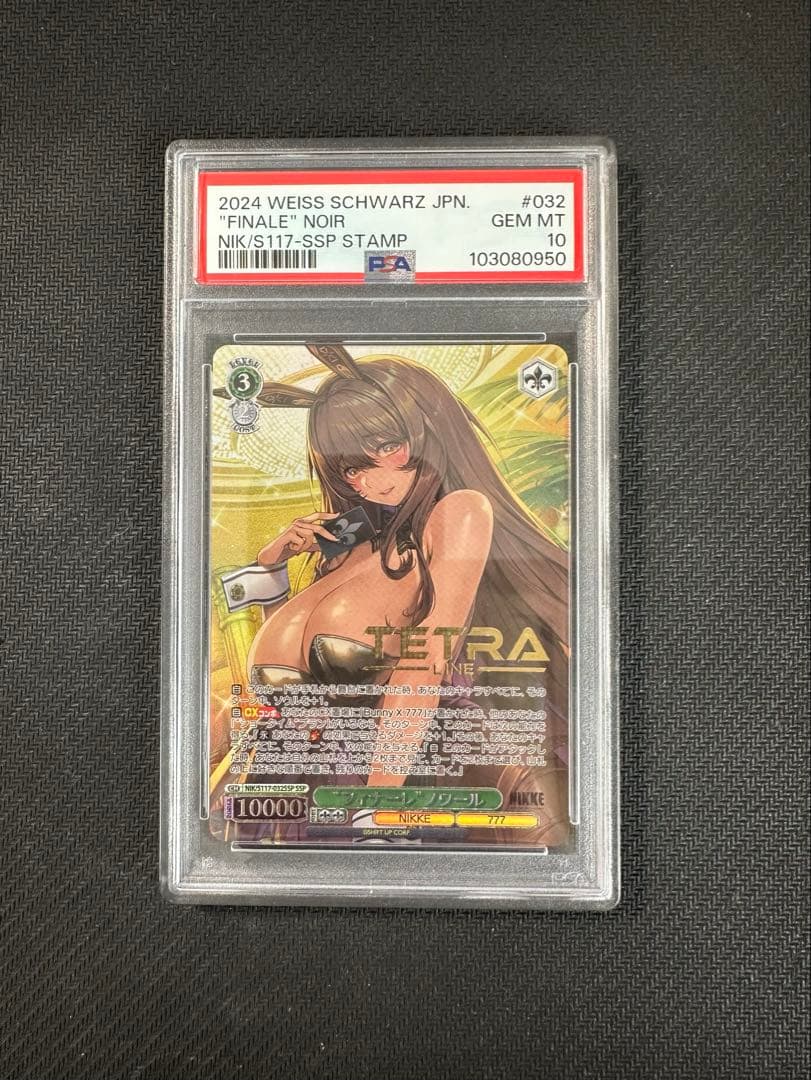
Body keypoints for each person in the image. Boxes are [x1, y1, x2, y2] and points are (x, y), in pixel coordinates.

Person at [237, 343, 570, 845]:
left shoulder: (459, 511)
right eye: (351, 467)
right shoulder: (350, 541)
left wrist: (380, 805)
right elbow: (283, 674)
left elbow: (424, 663)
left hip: (371, 784)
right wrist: (271, 562)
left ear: (429, 429)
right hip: (281, 789)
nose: (371, 480)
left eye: (387, 446)